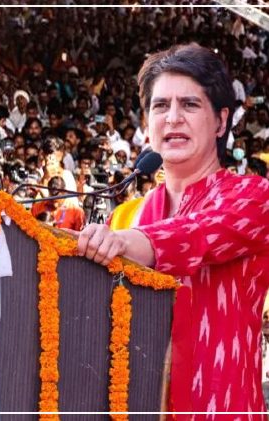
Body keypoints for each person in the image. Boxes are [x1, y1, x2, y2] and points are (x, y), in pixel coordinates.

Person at [73, 43, 269, 415]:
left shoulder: (253, 197)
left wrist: (123, 242)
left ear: (221, 121)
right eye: (160, 106)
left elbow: (197, 235)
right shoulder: (126, 215)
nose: (173, 118)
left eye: (190, 105)